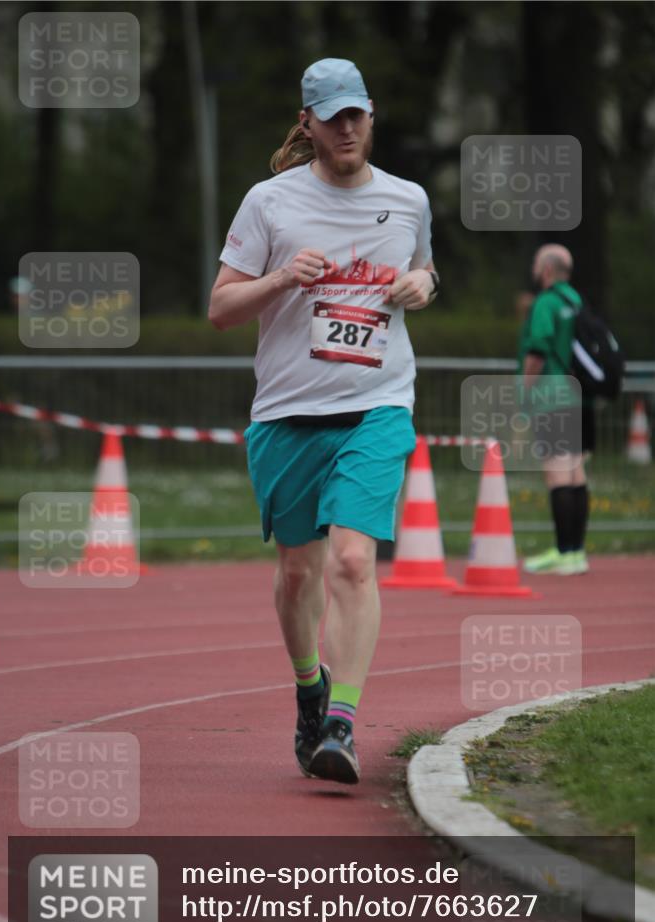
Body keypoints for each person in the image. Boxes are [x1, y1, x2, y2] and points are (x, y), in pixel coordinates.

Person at [208, 58, 439, 784]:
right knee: (297, 571)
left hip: (375, 405)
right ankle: (309, 686)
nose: (346, 128)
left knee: (350, 561)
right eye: (331, 116)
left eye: (356, 115)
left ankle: (340, 720)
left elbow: (426, 269)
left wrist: (423, 284)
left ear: (370, 118)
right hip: (286, 410)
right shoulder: (268, 202)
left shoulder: (407, 200)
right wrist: (279, 279)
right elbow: (219, 309)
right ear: (307, 123)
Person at [519, 244, 593, 575]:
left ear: (547, 269)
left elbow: (536, 350)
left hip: (551, 393)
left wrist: (523, 392)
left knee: (557, 473)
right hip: (576, 394)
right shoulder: (575, 300)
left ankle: (563, 552)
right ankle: (576, 551)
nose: (534, 269)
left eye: (537, 264)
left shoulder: (547, 302)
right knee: (576, 472)